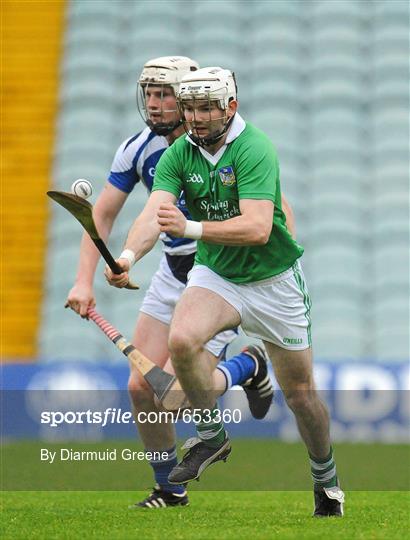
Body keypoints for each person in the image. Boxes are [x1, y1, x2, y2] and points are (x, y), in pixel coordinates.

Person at [105, 66, 345, 517]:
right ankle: (212, 439)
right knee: (181, 339)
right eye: (189, 108)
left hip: (273, 282)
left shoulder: (255, 148)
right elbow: (154, 212)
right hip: (216, 275)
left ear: (229, 107)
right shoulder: (180, 153)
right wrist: (128, 257)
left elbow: (257, 228)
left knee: (301, 396)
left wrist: (191, 226)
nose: (193, 118)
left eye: (204, 109)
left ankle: (326, 482)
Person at [66, 57, 296, 509]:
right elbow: (107, 214)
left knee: (173, 396)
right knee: (139, 387)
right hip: (172, 276)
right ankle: (169, 489)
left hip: (222, 275)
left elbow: (275, 214)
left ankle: (249, 365)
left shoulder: (235, 146)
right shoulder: (138, 149)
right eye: (149, 94)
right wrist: (87, 278)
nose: (154, 104)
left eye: (165, 94)